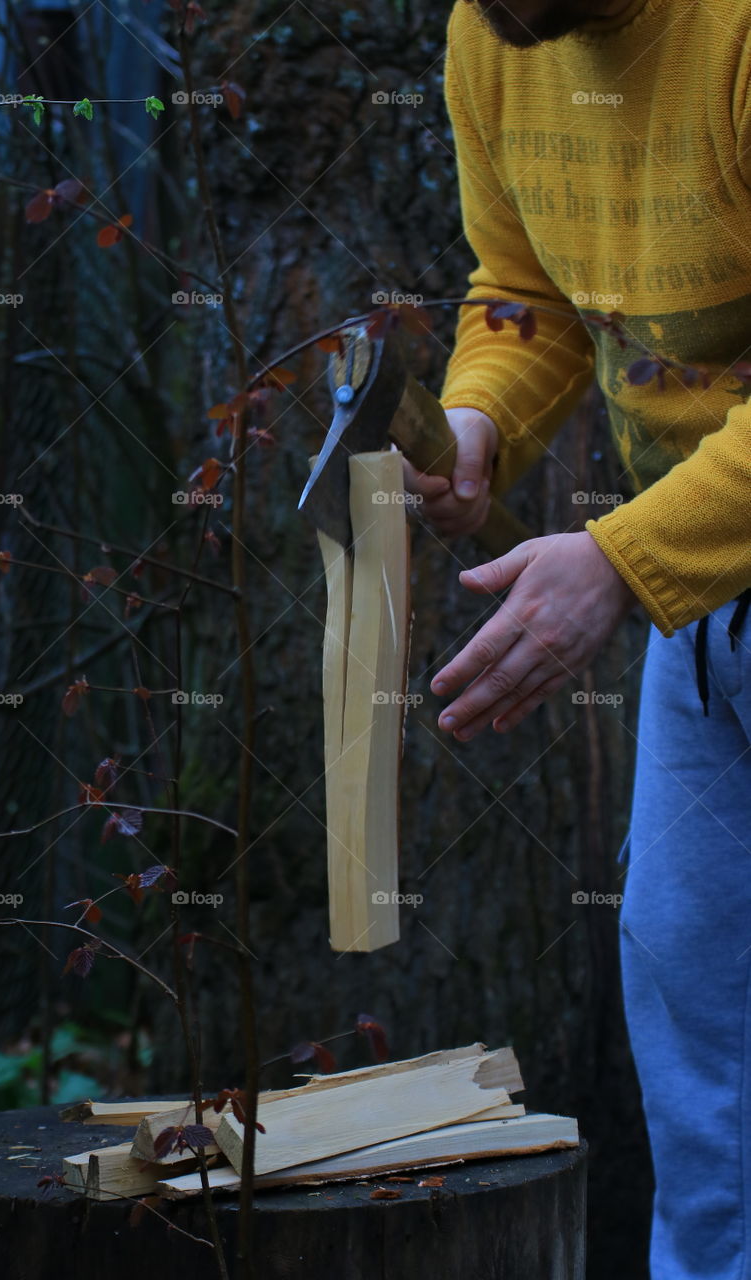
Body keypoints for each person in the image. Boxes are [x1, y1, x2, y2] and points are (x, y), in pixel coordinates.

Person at [404, 1, 751, 1277]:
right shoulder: (488, 36)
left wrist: (619, 561)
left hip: (672, 565)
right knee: (703, 1071)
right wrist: (476, 420)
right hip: (704, 609)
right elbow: (523, 289)